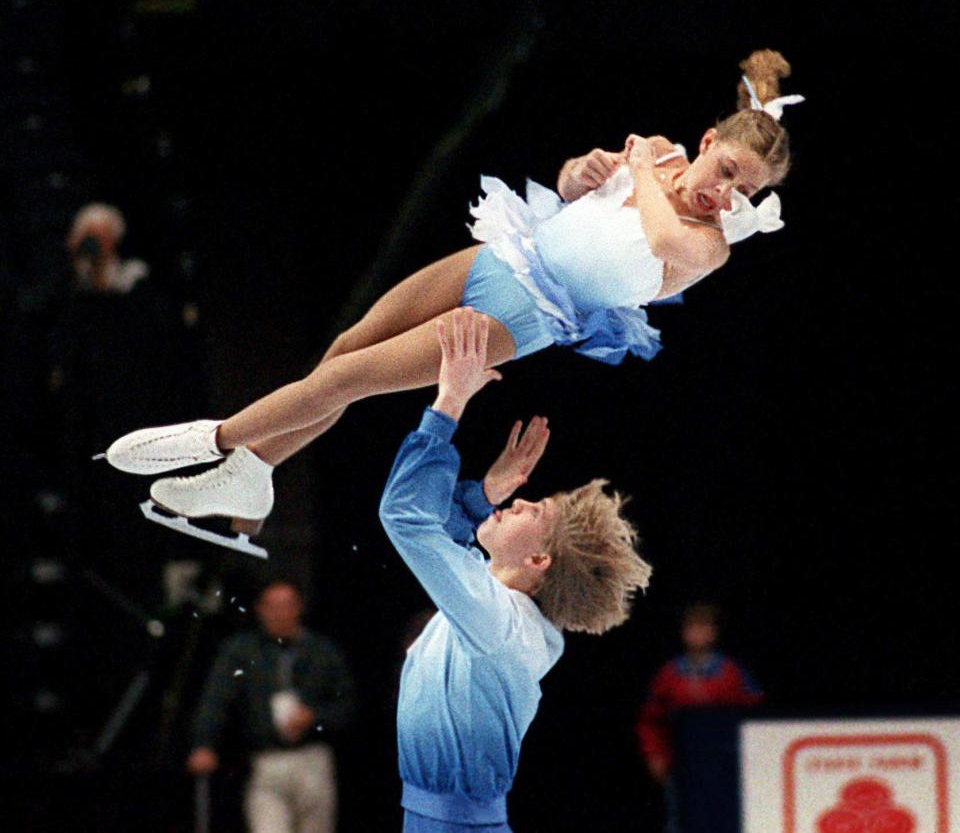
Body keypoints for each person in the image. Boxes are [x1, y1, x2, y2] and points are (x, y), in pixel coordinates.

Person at [103, 50, 802, 537]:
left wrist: (647, 164)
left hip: (522, 314)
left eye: (748, 193)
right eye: (729, 169)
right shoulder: (662, 154)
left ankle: (210, 439)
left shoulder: (708, 244)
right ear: (710, 140)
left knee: (347, 379)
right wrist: (579, 172)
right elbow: (568, 195)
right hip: (505, 253)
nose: (727, 194)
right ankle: (257, 470)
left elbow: (657, 230)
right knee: (346, 348)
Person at [380, 308, 652, 831]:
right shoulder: (504, 614)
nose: (521, 501)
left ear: (537, 561)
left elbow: (407, 518)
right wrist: (485, 495)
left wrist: (450, 401)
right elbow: (449, 537)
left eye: (534, 511)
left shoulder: (496, 620)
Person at [186, 580, 355, 833]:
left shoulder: (323, 652)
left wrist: (316, 717)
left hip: (312, 759)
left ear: (299, 608)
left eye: (286, 606)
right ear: (259, 609)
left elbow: (347, 705)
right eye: (272, 606)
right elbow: (217, 699)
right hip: (266, 760)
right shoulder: (242, 650)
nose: (279, 614)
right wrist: (204, 743)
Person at [636, 602, 763, 832]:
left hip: (725, 765)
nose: (697, 634)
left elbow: (754, 715)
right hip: (682, 765)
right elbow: (651, 720)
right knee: (681, 819)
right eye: (692, 628)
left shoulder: (730, 673)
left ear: (714, 632)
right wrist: (655, 755)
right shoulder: (670, 674)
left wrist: (749, 756)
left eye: (703, 627)